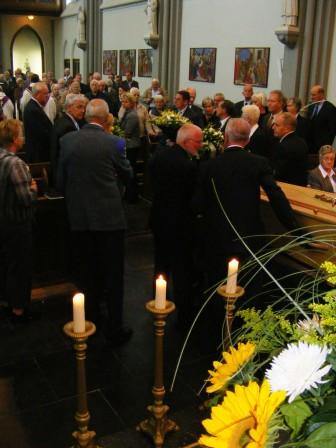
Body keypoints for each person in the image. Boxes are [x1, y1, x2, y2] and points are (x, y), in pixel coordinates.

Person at [193, 118, 300, 302]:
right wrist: (295, 228)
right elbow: (276, 196)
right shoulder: (259, 162)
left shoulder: (209, 166)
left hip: (217, 235)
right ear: (248, 140)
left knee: (217, 285)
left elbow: (198, 204)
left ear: (225, 137)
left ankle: (217, 321)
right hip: (250, 235)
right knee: (249, 285)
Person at [57, 99, 133, 344]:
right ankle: (115, 326)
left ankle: (91, 319)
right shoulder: (115, 143)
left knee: (86, 273)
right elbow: (128, 174)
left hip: (79, 218)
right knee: (113, 274)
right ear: (106, 118)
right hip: (110, 219)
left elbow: (60, 180)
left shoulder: (67, 141)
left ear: (86, 117)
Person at [149, 123, 203, 326]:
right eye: (198, 141)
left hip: (159, 218)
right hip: (180, 224)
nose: (201, 145)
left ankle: (158, 300)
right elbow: (192, 199)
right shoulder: (188, 165)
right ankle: (185, 314)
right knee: (182, 269)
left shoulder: (158, 156)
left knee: (160, 263)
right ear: (187, 141)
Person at [0, 119, 37, 323]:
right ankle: (19, 309)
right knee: (20, 266)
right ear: (15, 139)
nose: (23, 137)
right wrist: (33, 189)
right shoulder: (15, 163)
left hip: (2, 220)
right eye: (21, 134)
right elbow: (26, 199)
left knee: (6, 264)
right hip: (16, 224)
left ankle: (7, 301)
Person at [50, 93, 87, 188]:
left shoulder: (66, 121)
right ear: (69, 107)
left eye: (84, 107)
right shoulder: (67, 126)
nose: (83, 111)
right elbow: (70, 155)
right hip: (67, 176)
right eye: (79, 107)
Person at [272, 112, 308, 186]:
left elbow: (279, 173)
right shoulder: (302, 142)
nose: (273, 127)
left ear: (287, 128)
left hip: (286, 187)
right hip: (301, 187)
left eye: (277, 125)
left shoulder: (283, 146)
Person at [119, 92, 141, 202]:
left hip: (132, 145)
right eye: (122, 101)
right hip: (128, 144)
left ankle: (132, 195)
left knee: (130, 170)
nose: (123, 104)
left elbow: (127, 132)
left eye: (126, 102)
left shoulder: (132, 115)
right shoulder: (127, 112)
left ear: (132, 103)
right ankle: (128, 193)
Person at [23, 81, 53, 162]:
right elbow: (41, 133)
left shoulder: (35, 107)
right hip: (38, 154)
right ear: (37, 94)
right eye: (45, 94)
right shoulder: (33, 109)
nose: (48, 96)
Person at [306, 85, 336, 153]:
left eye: (314, 95)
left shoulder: (330, 108)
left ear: (321, 94)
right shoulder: (310, 106)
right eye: (311, 95)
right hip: (309, 145)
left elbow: (332, 129)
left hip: (322, 146)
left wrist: (326, 144)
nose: (311, 97)